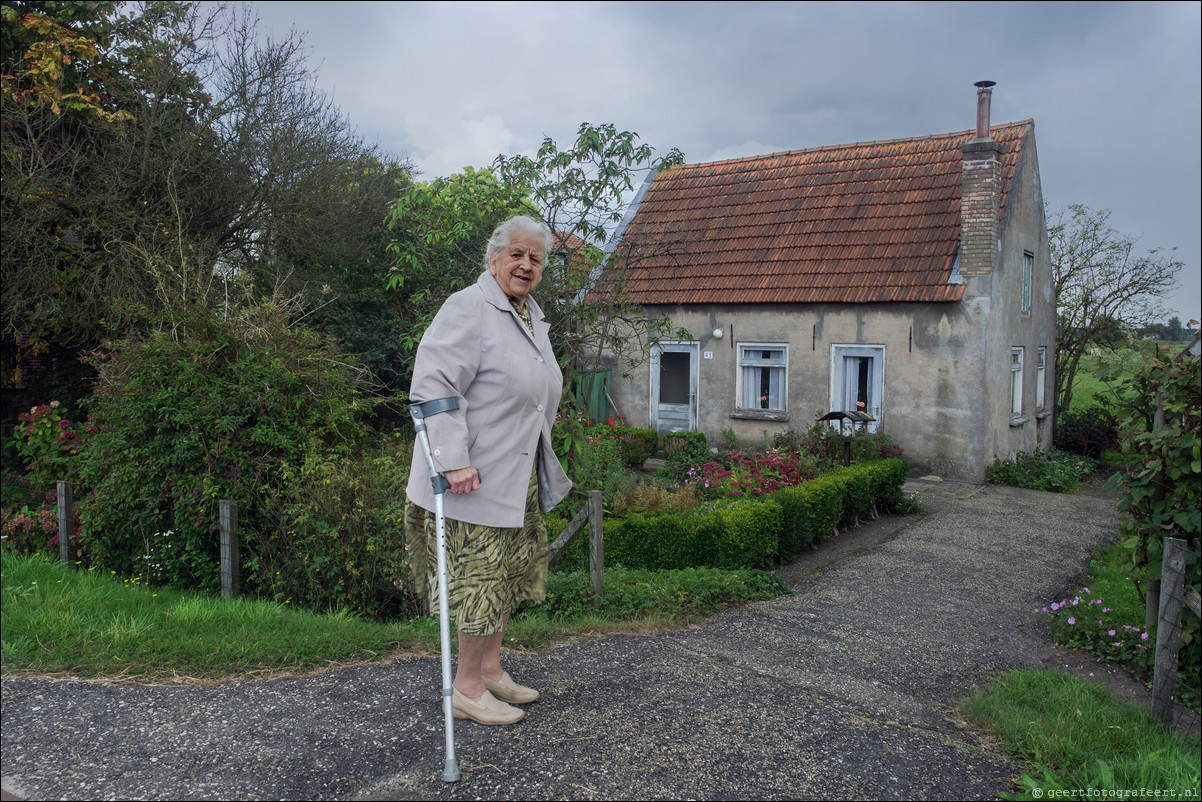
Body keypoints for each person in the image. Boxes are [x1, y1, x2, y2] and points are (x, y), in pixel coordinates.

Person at [404, 215, 573, 726]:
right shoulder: (469, 307)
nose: (526, 265)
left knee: (505, 578)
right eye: (516, 255)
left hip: (514, 475)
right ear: (494, 258)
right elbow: (433, 386)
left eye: (536, 258)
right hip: (471, 479)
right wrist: (453, 462)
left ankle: (492, 669)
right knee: (480, 582)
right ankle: (467, 687)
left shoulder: (528, 314)